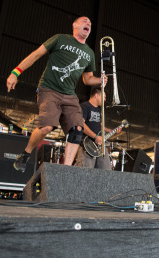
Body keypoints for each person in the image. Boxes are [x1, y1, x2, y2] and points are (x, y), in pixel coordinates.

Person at [6, 16, 106, 171]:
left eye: (90, 23)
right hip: (49, 89)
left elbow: (87, 79)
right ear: (74, 25)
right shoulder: (60, 39)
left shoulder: (89, 53)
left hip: (70, 95)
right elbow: (36, 55)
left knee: (77, 129)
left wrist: (100, 81)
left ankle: (65, 170)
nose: (88, 23)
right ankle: (26, 153)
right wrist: (15, 72)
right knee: (46, 127)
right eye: (85, 21)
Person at [75, 87, 120, 170]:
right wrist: (95, 137)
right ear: (96, 96)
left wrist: (111, 131)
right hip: (87, 145)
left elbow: (100, 125)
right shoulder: (84, 106)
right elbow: (81, 124)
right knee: (85, 171)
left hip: (100, 146)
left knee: (106, 171)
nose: (105, 100)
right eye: (104, 97)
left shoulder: (99, 109)